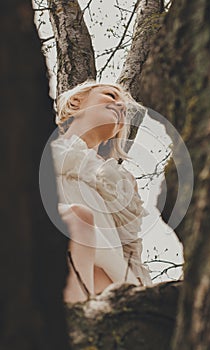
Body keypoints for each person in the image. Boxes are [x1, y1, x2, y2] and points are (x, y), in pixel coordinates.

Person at [51, 80, 153, 303]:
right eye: (110, 95)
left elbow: (129, 249)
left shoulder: (121, 183)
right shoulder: (41, 152)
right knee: (78, 218)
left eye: (125, 111)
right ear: (76, 102)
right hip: (54, 259)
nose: (120, 106)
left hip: (107, 278)